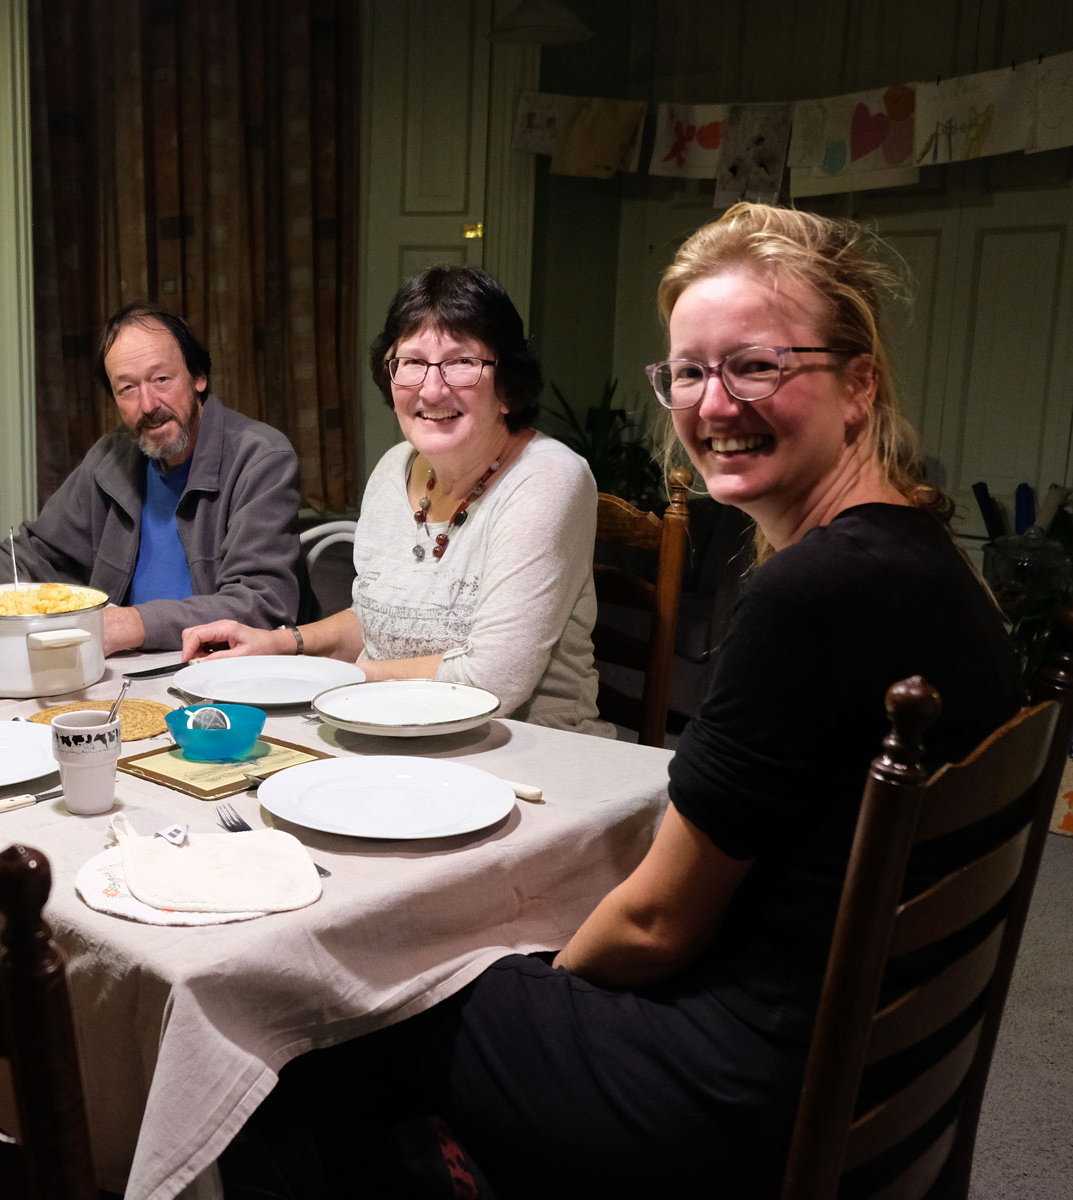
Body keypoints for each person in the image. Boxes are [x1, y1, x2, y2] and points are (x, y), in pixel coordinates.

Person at [229, 205, 1023, 1200]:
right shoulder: (928, 562)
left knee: (335, 1008)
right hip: (865, 1060)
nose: (713, 402)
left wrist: (543, 1001)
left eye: (758, 365)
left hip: (742, 1096)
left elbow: (653, 927)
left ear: (857, 385)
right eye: (689, 371)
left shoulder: (812, 595)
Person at [182, 266, 606, 734]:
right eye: (413, 362)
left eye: (462, 362)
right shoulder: (395, 467)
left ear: (507, 386)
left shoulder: (549, 478)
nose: (432, 388)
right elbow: (377, 624)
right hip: (386, 731)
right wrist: (278, 645)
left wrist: (320, 681)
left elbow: (492, 683)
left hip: (529, 753)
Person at [0, 302, 301, 654]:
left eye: (161, 379)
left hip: (220, 675)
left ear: (199, 377)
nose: (148, 404)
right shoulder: (113, 456)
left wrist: (131, 623)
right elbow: (36, 555)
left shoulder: (261, 458)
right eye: (127, 389)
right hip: (120, 671)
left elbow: (263, 602)